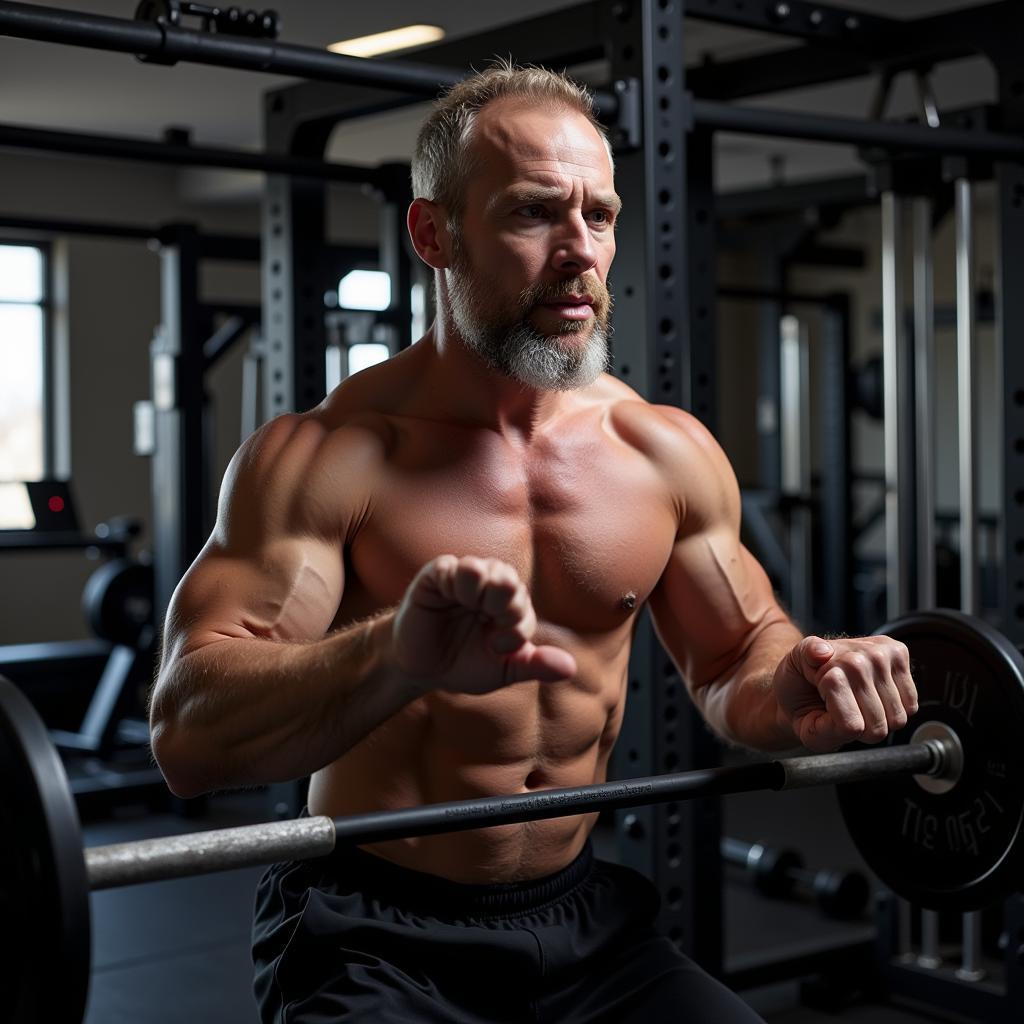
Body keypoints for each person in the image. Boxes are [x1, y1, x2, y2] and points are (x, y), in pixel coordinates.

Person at [149, 62, 918, 1024]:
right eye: (532, 215)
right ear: (434, 233)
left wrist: (796, 686)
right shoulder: (327, 459)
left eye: (599, 215)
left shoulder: (662, 451)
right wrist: (395, 658)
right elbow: (188, 734)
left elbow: (734, 655)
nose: (580, 253)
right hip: (375, 933)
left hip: (584, 918)